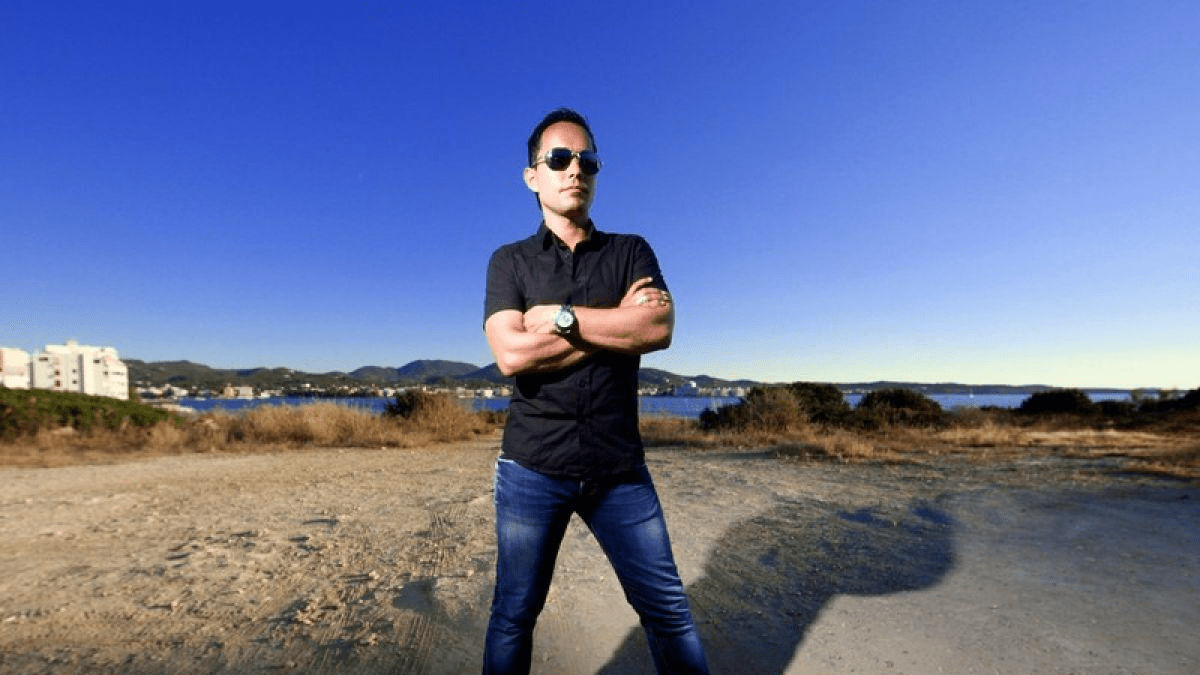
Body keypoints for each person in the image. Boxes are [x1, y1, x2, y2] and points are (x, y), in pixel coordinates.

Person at [481, 108, 710, 675]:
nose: (575, 169)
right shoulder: (509, 262)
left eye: (587, 160)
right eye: (559, 158)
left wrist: (562, 319)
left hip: (618, 467)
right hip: (532, 467)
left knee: (667, 610)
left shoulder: (631, 251)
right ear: (532, 176)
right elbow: (511, 355)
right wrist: (615, 327)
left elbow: (658, 327)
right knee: (513, 615)